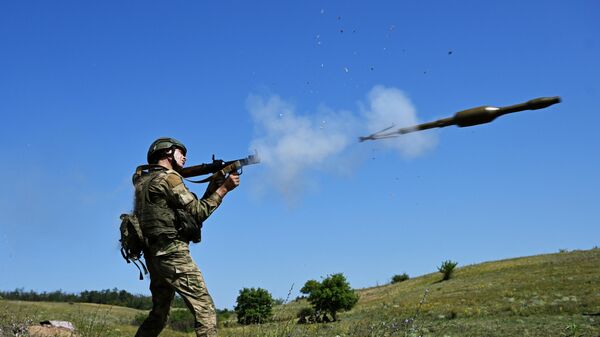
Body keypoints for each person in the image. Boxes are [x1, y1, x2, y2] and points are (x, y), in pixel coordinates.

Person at [133, 137, 240, 337]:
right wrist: (224, 189)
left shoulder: (142, 181)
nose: (185, 157)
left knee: (159, 315)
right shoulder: (169, 178)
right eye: (180, 152)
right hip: (173, 253)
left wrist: (214, 185)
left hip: (153, 255)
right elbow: (198, 213)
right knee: (204, 308)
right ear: (167, 153)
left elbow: (189, 214)